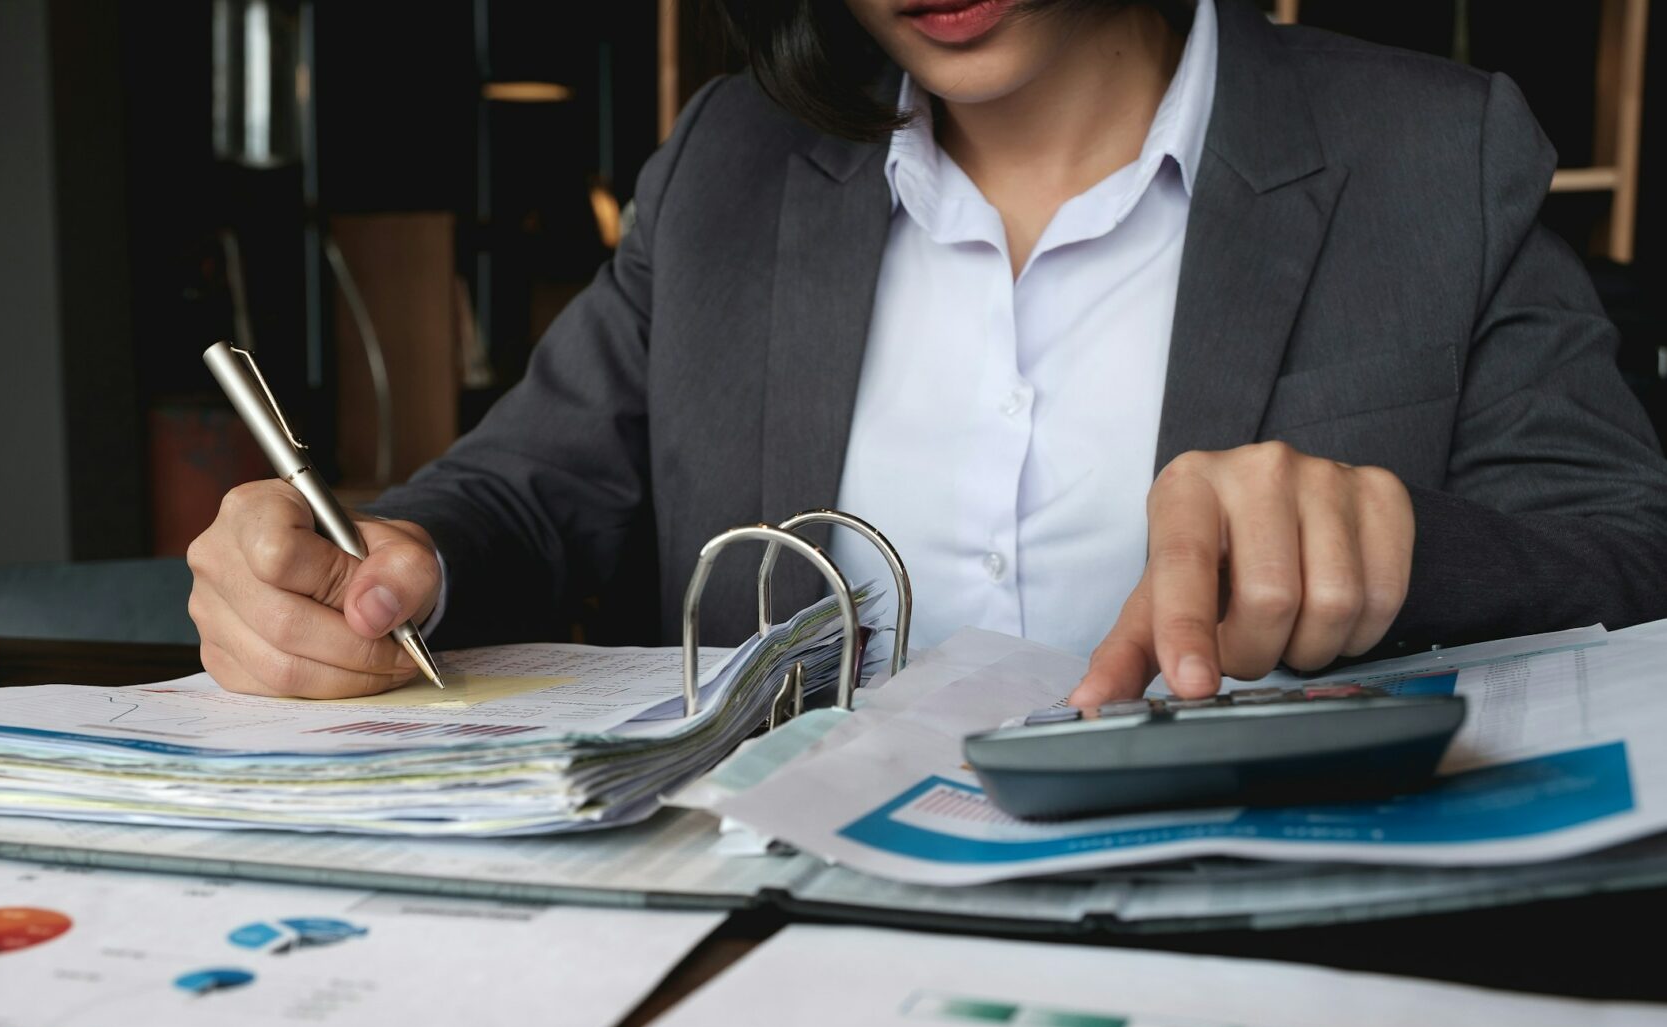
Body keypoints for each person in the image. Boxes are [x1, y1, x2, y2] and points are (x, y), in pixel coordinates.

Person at [187, 0, 1667, 707]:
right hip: (775, 981)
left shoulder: (1430, 153)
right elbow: (521, 491)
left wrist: (1400, 544)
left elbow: (1622, 557)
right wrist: (381, 563)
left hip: (1257, 989)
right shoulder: (729, 169)